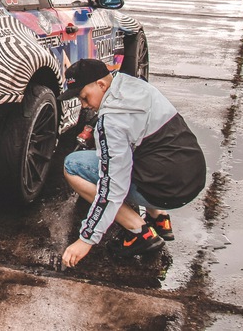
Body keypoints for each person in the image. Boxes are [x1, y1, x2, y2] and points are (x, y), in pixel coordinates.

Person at [60, 59, 206, 268]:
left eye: (84, 97)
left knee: (73, 165)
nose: (84, 105)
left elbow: (112, 187)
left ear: (101, 85)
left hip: (166, 191)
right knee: (143, 151)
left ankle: (140, 232)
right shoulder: (136, 86)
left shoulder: (112, 122)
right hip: (193, 176)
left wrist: (86, 239)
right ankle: (159, 217)